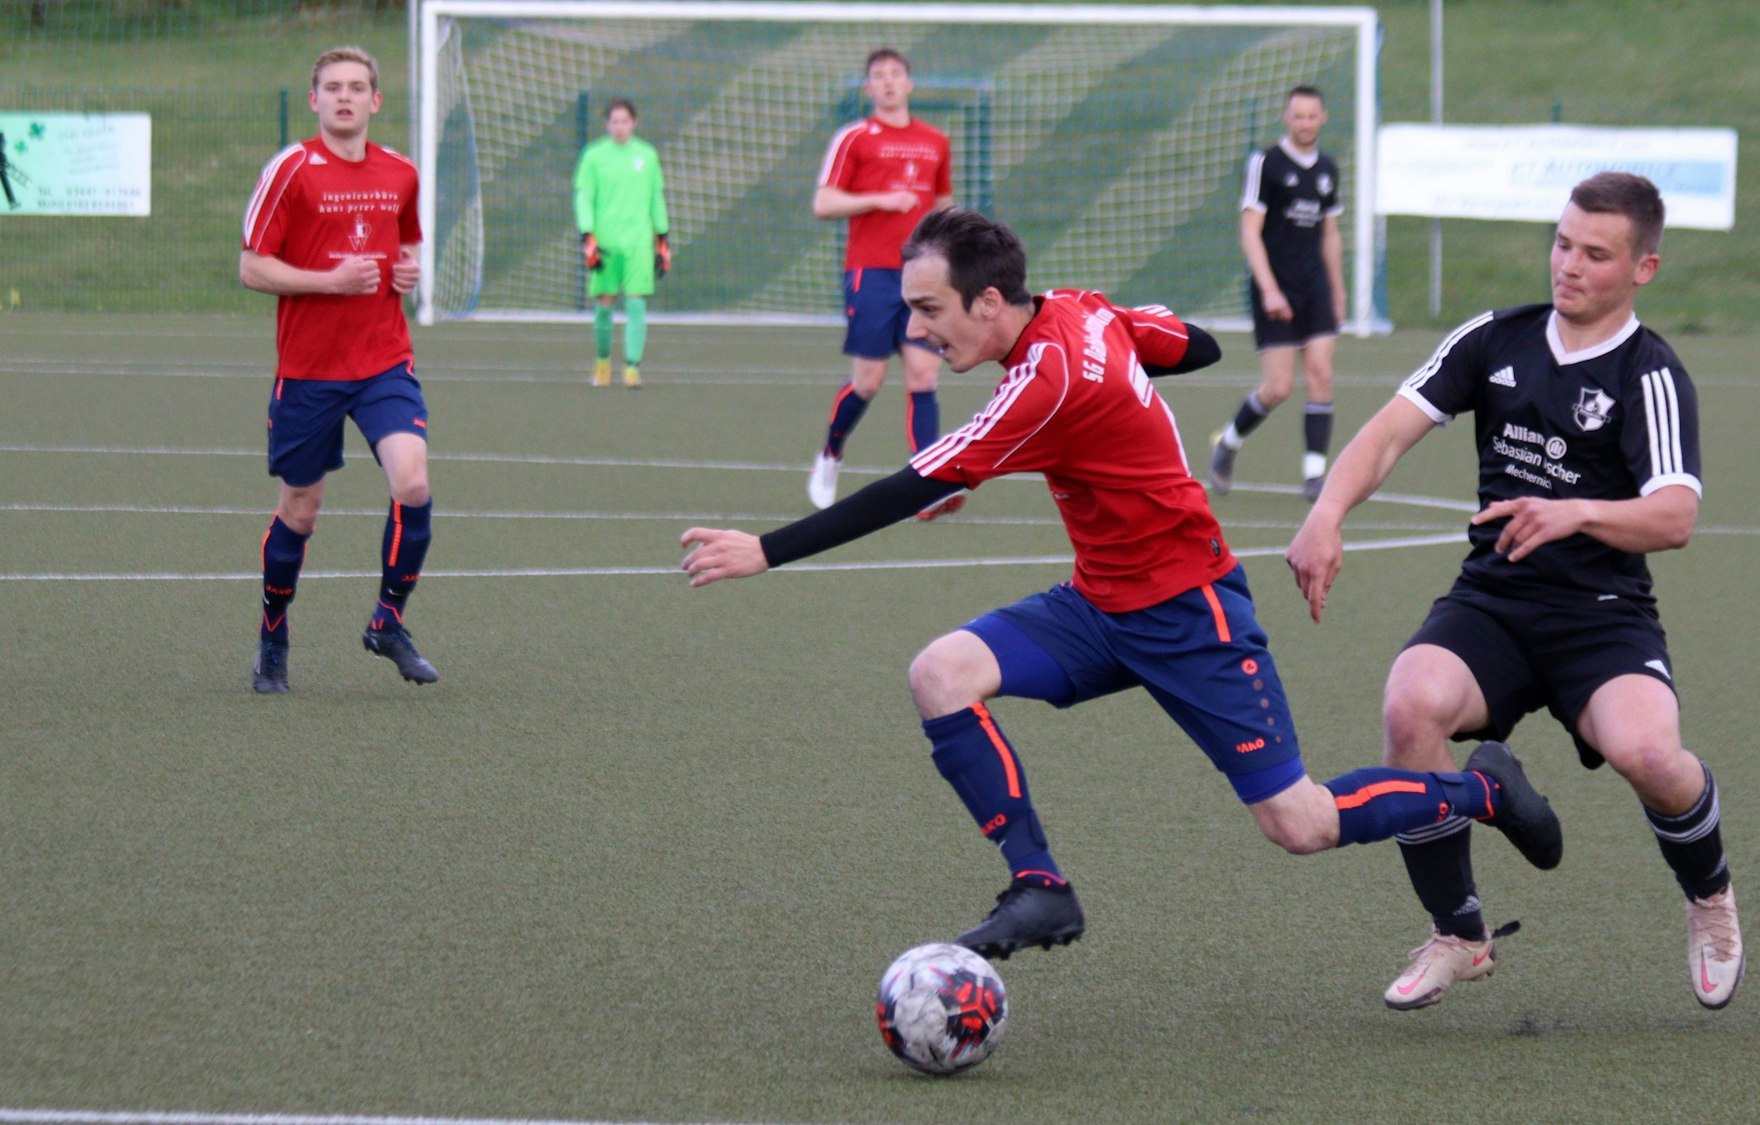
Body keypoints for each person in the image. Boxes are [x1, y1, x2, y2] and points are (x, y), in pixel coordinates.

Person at [681, 207, 1563, 962]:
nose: (918, 328)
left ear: (990, 302)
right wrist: (1120, 400)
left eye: (929, 309)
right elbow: (1201, 344)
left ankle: (1485, 787)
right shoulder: (1084, 313)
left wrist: (765, 549)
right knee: (941, 674)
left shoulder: (1045, 375)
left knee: (1300, 823)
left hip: (1191, 613)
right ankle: (1040, 886)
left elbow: (919, 479)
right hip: (1099, 604)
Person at [1285, 172, 1743, 1011]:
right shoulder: (1496, 338)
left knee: (1651, 757)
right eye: (1562, 243)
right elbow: (1389, 432)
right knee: (1409, 706)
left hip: (1600, 618)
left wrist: (1576, 512)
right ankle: (1460, 933)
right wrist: (1327, 514)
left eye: (1595, 253)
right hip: (1492, 601)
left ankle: (1708, 892)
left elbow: (1675, 515)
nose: (1568, 265)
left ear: (1643, 269)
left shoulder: (1651, 374)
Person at [240, 45, 437, 693]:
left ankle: (387, 622)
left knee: (412, 482)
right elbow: (251, 266)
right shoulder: (292, 170)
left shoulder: (402, 173)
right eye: (333, 87)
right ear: (315, 99)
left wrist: (407, 269)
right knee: (301, 508)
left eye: (358, 87)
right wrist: (330, 281)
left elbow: (405, 242)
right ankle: (273, 632)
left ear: (376, 100)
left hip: (384, 359)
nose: (346, 96)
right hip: (309, 369)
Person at [806, 48, 960, 517]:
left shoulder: (935, 140)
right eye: (879, 76)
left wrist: (954, 252)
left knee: (924, 373)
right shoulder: (855, 138)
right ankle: (831, 452)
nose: (889, 83)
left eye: (896, 75)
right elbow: (824, 203)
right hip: (871, 272)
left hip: (923, 276)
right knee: (869, 382)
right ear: (869, 88)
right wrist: (879, 200)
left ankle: (927, 483)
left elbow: (944, 204)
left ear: (910, 84)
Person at [1208, 85, 1348, 501]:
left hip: (1315, 287)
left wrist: (1338, 290)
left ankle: (1313, 476)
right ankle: (1228, 443)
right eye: (1297, 115)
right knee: (1278, 387)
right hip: (1276, 286)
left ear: (1323, 118)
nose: (1305, 122)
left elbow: (1330, 233)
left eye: (1312, 115)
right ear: (1286, 118)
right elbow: (1250, 230)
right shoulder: (1266, 163)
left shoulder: (1328, 169)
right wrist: (1269, 289)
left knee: (1322, 373)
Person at [573, 98, 671, 388]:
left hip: (639, 242)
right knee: (604, 303)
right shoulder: (593, 156)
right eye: (614, 121)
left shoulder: (647, 156)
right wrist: (587, 236)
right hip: (605, 242)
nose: (619, 127)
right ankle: (603, 364)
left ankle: (631, 369)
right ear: (607, 125)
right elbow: (584, 197)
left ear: (634, 122)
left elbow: (656, 199)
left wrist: (662, 239)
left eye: (624, 121)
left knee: (637, 301)